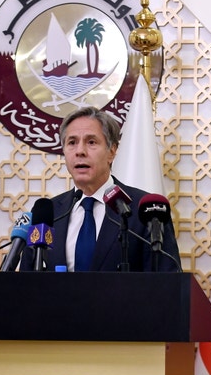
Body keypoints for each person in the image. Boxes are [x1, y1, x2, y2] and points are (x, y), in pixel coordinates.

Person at [20, 106, 180, 272]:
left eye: (91, 142)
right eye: (72, 143)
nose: (80, 151)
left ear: (112, 152)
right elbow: (26, 280)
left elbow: (165, 280)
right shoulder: (49, 213)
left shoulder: (146, 211)